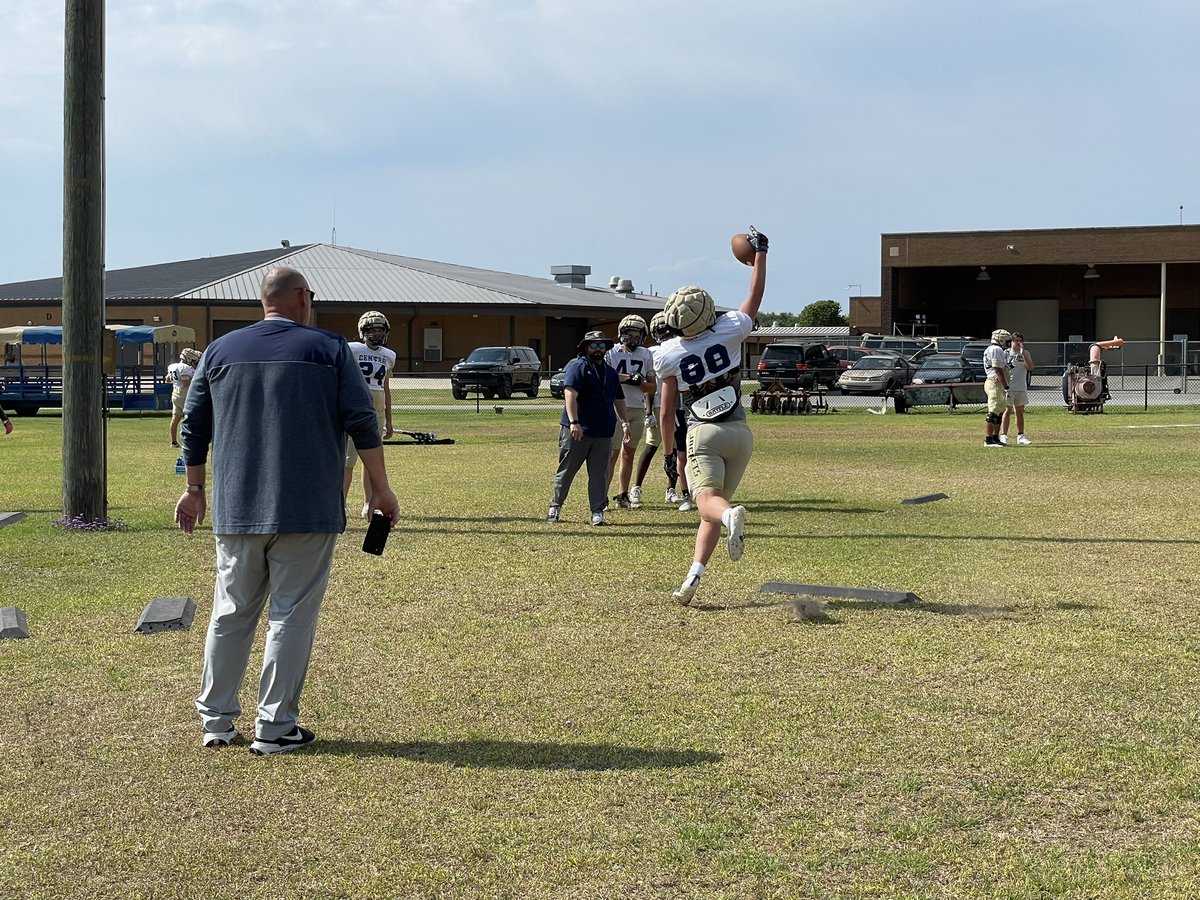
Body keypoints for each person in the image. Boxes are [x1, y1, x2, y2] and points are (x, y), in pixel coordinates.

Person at [174, 266, 398, 755]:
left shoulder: (219, 351)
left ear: (263, 301)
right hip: (307, 507)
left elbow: (193, 425)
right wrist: (380, 489)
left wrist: (194, 488)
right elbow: (362, 421)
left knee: (230, 613)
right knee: (291, 616)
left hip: (237, 506)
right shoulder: (329, 348)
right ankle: (275, 726)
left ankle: (216, 721)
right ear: (301, 297)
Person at [657, 227, 768, 605]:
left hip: (704, 433)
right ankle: (693, 577)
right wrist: (760, 254)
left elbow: (667, 410)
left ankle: (731, 516)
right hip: (740, 432)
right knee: (712, 510)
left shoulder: (669, 354)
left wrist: (669, 451)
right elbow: (754, 297)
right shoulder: (729, 329)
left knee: (709, 503)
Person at [547, 330, 631, 526]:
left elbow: (619, 399)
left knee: (600, 474)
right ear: (586, 348)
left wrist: (625, 423)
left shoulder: (610, 372)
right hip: (577, 431)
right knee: (567, 471)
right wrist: (574, 422)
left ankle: (597, 512)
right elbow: (570, 394)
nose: (598, 349)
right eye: (593, 345)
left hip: (603, 433)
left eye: (601, 345)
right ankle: (555, 507)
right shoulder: (578, 367)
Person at [343, 310, 396, 517]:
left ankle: (368, 503)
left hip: (377, 411)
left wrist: (389, 420)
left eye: (380, 330)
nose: (376, 334)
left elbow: (386, 388)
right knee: (348, 460)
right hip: (356, 408)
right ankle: (341, 503)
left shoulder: (388, 355)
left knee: (372, 460)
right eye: (372, 330)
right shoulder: (351, 349)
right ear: (363, 331)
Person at [605, 315, 655, 510]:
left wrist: (640, 382)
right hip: (615, 408)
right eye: (629, 335)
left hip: (637, 409)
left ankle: (622, 494)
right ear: (621, 334)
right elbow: (605, 376)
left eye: (637, 335)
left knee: (628, 454)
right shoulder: (612, 352)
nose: (633, 339)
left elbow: (653, 388)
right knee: (611, 455)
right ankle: (601, 496)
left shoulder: (646, 354)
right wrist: (627, 378)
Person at [1000, 332, 1034, 445]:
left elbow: (1030, 367)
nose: (1019, 343)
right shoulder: (1006, 353)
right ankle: (1004, 435)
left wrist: (1023, 354)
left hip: (1021, 387)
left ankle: (1021, 436)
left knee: (1019, 412)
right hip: (1009, 387)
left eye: (1020, 341)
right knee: (1007, 411)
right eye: (1017, 341)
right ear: (1012, 342)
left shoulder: (1025, 353)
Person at [166, 347, 202, 447]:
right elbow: (185, 383)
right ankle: (189, 441)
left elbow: (167, 379)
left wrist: (176, 382)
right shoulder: (184, 367)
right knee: (190, 418)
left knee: (175, 419)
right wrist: (196, 379)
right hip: (184, 394)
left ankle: (173, 442)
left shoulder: (173, 366)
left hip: (175, 394)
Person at [982, 328, 1011, 448]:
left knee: (999, 411)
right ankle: (988, 440)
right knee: (993, 411)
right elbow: (998, 369)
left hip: (996, 383)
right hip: (995, 383)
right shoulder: (995, 349)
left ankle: (995, 438)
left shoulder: (995, 349)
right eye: (1007, 340)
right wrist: (1006, 385)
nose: (1008, 343)